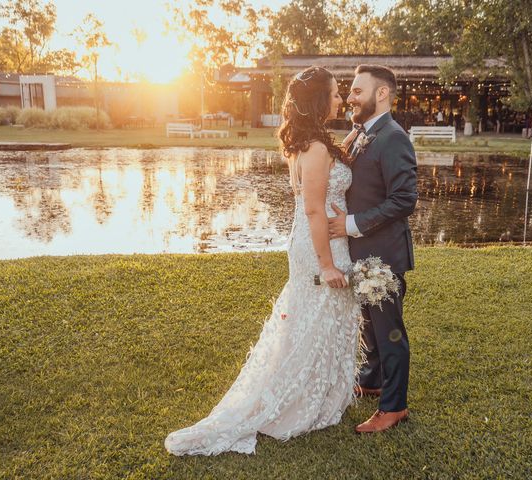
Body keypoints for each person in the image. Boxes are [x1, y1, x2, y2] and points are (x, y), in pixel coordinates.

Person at [164, 66, 364, 456]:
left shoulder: (309, 142)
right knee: (319, 312)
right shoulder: (318, 148)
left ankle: (317, 392)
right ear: (320, 101)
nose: (341, 100)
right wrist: (326, 264)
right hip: (318, 243)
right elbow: (312, 210)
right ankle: (298, 401)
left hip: (310, 240)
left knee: (316, 316)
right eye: (336, 94)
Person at [329, 64, 418, 433]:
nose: (350, 97)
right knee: (369, 322)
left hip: (382, 252)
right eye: (349, 91)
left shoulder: (393, 137)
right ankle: (371, 379)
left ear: (382, 94)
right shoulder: (363, 133)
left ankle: (393, 407)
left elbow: (404, 200)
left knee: (389, 330)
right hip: (363, 252)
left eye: (356, 91)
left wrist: (349, 224)